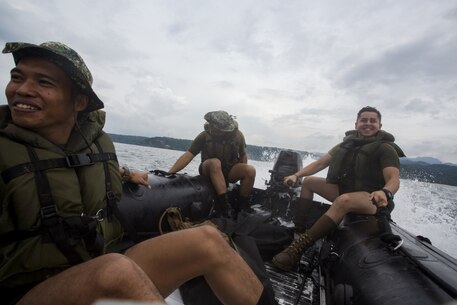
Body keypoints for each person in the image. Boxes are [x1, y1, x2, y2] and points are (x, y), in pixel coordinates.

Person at [0, 41, 276, 305]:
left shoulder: (93, 145)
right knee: (117, 271)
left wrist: (124, 173)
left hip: (88, 262)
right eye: (16, 77)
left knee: (209, 239)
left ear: (79, 101)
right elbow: (188, 155)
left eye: (43, 82)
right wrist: (170, 173)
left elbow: (69, 169)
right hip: (26, 291)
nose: (22, 89)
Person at [272, 106, 405, 271]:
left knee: (343, 201)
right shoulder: (346, 144)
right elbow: (320, 163)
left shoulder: (386, 149)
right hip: (346, 190)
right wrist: (297, 175)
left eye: (373, 121)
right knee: (309, 182)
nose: (368, 124)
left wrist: (385, 192)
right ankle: (299, 229)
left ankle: (298, 248)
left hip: (372, 198)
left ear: (380, 125)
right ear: (356, 123)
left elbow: (394, 179)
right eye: (364, 120)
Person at [168, 110, 256, 217]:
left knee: (250, 170)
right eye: (214, 129)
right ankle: (224, 205)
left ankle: (243, 206)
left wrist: (241, 177)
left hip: (229, 170)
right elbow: (189, 155)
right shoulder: (204, 136)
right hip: (209, 168)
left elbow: (243, 155)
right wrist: (170, 173)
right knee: (215, 162)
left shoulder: (238, 135)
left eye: (219, 130)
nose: (216, 132)